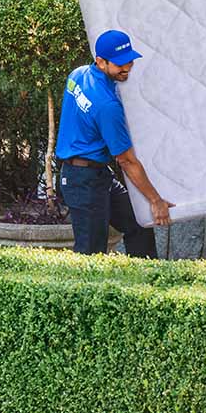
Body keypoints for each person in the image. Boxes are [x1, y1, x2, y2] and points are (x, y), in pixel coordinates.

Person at [55, 29, 176, 257]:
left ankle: (144, 283)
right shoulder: (107, 106)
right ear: (100, 61)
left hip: (97, 174)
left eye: (129, 61)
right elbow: (127, 161)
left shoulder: (78, 75)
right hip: (82, 181)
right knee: (91, 254)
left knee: (139, 224)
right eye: (120, 64)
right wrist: (156, 200)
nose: (127, 68)